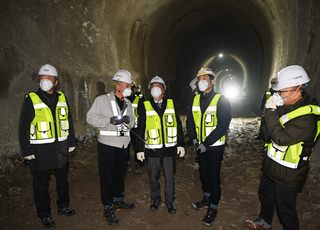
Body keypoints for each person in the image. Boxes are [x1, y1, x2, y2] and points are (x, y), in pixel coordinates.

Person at [244, 65, 320, 230]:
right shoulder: (287, 105)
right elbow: (266, 133)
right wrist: (270, 114)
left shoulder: (308, 118)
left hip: (289, 172)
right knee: (265, 194)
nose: (278, 95)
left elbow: (280, 138)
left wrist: (270, 111)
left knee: (286, 211)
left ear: (298, 89)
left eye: (282, 91)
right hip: (272, 165)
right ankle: (265, 222)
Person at [18, 64, 76, 228]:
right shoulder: (31, 99)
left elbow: (69, 121)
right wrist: (26, 150)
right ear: (39, 80)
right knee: (41, 184)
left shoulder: (62, 98)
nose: (45, 81)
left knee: (62, 180)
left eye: (49, 78)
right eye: (43, 78)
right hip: (40, 151)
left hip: (61, 148)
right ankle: (45, 214)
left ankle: (64, 206)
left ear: (56, 82)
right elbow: (23, 126)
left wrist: (71, 141)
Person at [86, 70, 136, 226]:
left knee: (120, 174)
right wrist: (110, 120)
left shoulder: (128, 103)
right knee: (107, 176)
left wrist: (128, 120)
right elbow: (90, 117)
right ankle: (108, 207)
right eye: (126, 85)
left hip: (123, 145)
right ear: (117, 84)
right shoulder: (102, 100)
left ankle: (118, 200)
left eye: (129, 85)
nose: (129, 87)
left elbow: (133, 122)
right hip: (107, 145)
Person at [186, 67, 232, 227]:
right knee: (203, 174)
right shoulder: (195, 99)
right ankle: (206, 198)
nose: (202, 82)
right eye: (199, 79)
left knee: (213, 176)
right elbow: (190, 122)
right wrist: (193, 139)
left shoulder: (222, 100)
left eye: (205, 79)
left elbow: (223, 125)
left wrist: (206, 143)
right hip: (199, 145)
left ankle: (213, 207)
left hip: (214, 147)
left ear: (212, 81)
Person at [136, 76, 185, 214]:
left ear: (164, 89)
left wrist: (181, 144)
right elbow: (140, 128)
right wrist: (140, 149)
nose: (155, 88)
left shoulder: (171, 103)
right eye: (152, 86)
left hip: (169, 149)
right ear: (149, 89)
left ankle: (170, 201)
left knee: (170, 176)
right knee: (153, 176)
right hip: (153, 149)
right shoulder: (144, 105)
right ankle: (155, 198)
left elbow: (178, 125)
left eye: (159, 86)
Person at [126, 80, 145, 174]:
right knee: (125, 147)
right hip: (125, 128)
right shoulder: (122, 100)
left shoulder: (139, 101)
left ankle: (138, 163)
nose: (130, 90)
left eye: (131, 88)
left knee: (137, 146)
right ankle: (127, 162)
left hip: (136, 128)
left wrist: (142, 127)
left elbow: (141, 115)